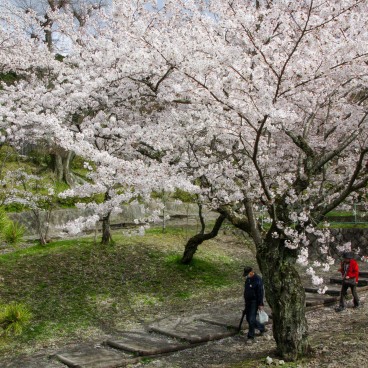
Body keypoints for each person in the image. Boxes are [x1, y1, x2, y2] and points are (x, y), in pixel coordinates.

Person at [243, 266, 266, 341]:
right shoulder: (248, 279)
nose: (247, 275)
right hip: (248, 301)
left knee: (252, 319)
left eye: (248, 273)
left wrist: (260, 304)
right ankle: (261, 328)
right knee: (248, 318)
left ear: (252, 272)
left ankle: (251, 336)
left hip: (254, 302)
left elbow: (260, 293)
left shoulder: (257, 279)